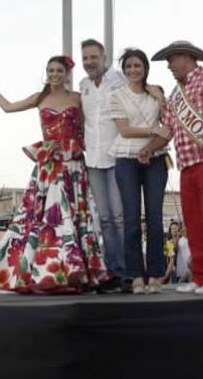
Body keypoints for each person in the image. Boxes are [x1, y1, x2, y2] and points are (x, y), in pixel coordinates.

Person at [0, 57, 109, 293]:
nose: (55, 74)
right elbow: (8, 107)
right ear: (46, 73)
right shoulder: (39, 98)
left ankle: (74, 272)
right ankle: (45, 273)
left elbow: (90, 127)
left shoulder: (76, 99)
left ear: (67, 74)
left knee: (73, 216)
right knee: (47, 218)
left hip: (73, 165)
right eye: (51, 70)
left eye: (59, 70)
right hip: (49, 167)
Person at [147, 41, 203, 295]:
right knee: (195, 225)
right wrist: (148, 149)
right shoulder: (177, 95)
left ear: (187, 57)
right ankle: (201, 277)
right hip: (186, 165)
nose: (169, 66)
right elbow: (167, 131)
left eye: (171, 60)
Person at [109, 48, 173, 294]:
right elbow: (124, 130)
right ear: (124, 70)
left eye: (137, 66)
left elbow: (169, 125)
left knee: (155, 219)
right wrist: (152, 131)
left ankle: (156, 275)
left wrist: (161, 99)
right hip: (126, 158)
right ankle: (135, 275)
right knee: (132, 220)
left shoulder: (156, 92)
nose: (133, 70)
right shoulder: (117, 95)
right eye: (128, 67)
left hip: (156, 158)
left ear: (146, 68)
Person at [78, 39, 128, 290]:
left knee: (120, 217)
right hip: (94, 160)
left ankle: (129, 272)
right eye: (85, 58)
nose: (89, 62)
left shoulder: (120, 80)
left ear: (104, 57)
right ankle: (113, 271)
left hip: (118, 155)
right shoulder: (83, 86)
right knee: (105, 219)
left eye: (93, 57)